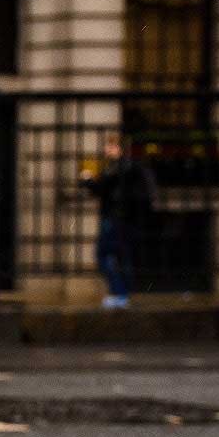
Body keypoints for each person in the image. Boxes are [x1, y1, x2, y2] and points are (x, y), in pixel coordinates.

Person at [82, 132, 155, 309]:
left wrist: (87, 180)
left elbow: (101, 188)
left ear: (118, 148)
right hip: (127, 219)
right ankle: (124, 293)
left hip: (114, 217)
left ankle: (119, 293)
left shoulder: (117, 167)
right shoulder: (131, 167)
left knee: (103, 255)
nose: (106, 149)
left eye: (110, 145)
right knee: (122, 255)